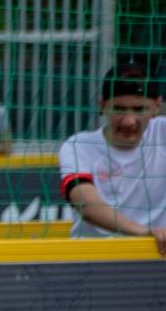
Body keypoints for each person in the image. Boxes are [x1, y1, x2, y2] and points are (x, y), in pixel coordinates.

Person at [60, 64, 166, 242]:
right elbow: (85, 203)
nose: (129, 121)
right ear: (102, 106)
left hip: (157, 253)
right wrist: (144, 232)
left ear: (157, 106)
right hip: (95, 255)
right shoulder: (79, 146)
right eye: (119, 109)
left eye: (139, 110)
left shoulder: (162, 132)